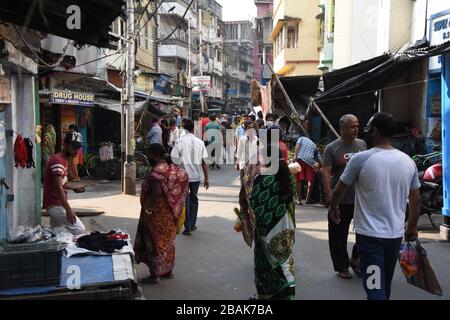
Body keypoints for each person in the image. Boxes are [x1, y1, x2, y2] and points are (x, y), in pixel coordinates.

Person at [329, 112, 421, 300]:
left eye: (367, 127)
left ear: (376, 131)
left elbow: (339, 190)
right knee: (384, 284)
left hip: (370, 238)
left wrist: (333, 207)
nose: (364, 130)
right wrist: (411, 226)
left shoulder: (361, 159)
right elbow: (416, 200)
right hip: (394, 236)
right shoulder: (408, 161)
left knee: (374, 286)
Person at [134, 143, 189, 284]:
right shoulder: (173, 168)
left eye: (149, 154)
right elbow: (183, 177)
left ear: (155, 155)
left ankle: (155, 275)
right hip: (170, 214)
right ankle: (168, 271)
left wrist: (148, 211)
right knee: (168, 243)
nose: (148, 157)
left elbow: (156, 193)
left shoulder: (156, 173)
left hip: (156, 216)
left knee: (155, 244)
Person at [247, 145, 296, 300]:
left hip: (267, 231)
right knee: (284, 263)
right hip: (285, 228)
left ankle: (266, 296)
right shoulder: (288, 176)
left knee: (266, 265)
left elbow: (254, 204)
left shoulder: (263, 179)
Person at [322, 114, 367, 280]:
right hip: (341, 198)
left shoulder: (362, 144)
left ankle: (355, 257)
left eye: (357, 125)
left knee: (365, 232)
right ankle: (341, 266)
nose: (356, 129)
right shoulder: (332, 148)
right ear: (342, 128)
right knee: (338, 235)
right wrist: (330, 196)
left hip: (361, 198)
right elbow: (326, 172)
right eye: (351, 126)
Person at [171, 119, 210, 236]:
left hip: (183, 177)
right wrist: (206, 178)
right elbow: (204, 162)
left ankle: (187, 227)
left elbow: (174, 160)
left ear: (184, 129)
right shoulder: (200, 142)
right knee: (194, 199)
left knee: (185, 200)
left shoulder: (179, 142)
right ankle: (192, 224)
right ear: (193, 129)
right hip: (196, 177)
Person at [43, 131, 86, 235]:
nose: (75, 151)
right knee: (79, 229)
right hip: (55, 204)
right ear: (66, 145)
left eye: (77, 148)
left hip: (54, 204)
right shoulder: (58, 161)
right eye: (73, 147)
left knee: (57, 234)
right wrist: (68, 210)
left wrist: (72, 187)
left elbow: (58, 183)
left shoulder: (62, 159)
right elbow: (58, 187)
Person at [294, 136, 319, 205]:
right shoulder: (314, 145)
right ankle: (308, 199)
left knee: (298, 179)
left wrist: (295, 155)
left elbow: (297, 146)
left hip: (301, 158)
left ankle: (299, 199)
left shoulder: (301, 138)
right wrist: (318, 166)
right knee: (310, 180)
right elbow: (317, 158)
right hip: (310, 161)